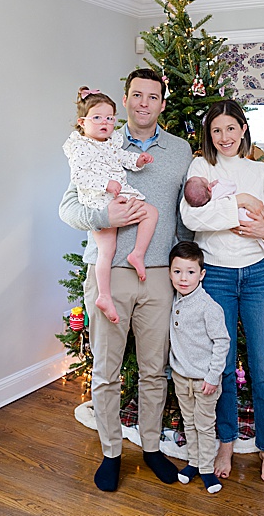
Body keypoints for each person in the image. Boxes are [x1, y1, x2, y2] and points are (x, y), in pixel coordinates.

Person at [58, 68, 193, 491]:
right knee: (106, 370)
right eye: (136, 95)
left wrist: (188, 266)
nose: (143, 103)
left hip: (158, 275)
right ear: (126, 99)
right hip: (109, 272)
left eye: (153, 97)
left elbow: (185, 215)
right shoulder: (98, 142)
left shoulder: (180, 150)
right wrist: (104, 216)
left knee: (155, 370)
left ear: (162, 103)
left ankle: (151, 447)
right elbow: (69, 207)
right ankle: (111, 451)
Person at [179, 99, 264, 482]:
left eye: (230, 128)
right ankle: (224, 442)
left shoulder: (260, 171)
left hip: (258, 275)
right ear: (209, 135)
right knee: (222, 367)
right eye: (216, 130)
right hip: (219, 277)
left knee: (262, 366)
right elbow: (192, 217)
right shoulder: (201, 168)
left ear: (243, 129)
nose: (224, 137)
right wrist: (240, 203)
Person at [62, 86, 159, 323]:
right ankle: (104, 295)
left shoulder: (111, 142)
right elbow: (80, 177)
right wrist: (105, 183)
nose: (104, 122)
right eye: (97, 118)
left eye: (109, 118)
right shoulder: (81, 147)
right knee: (106, 250)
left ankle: (137, 254)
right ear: (82, 122)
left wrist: (138, 160)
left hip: (119, 195)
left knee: (151, 212)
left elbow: (123, 159)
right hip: (98, 202)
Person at [167, 241, 230, 494]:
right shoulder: (172, 300)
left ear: (201, 274)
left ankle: (206, 468)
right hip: (181, 376)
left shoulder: (208, 307)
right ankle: (193, 462)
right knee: (189, 422)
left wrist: (213, 376)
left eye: (191, 272)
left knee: (204, 425)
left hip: (205, 380)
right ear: (170, 273)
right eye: (177, 271)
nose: (183, 278)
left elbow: (222, 342)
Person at [184, 176, 264, 253]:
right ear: (209, 188)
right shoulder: (217, 188)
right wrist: (218, 182)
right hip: (243, 214)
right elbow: (231, 185)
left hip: (255, 258)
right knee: (261, 210)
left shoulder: (209, 203)